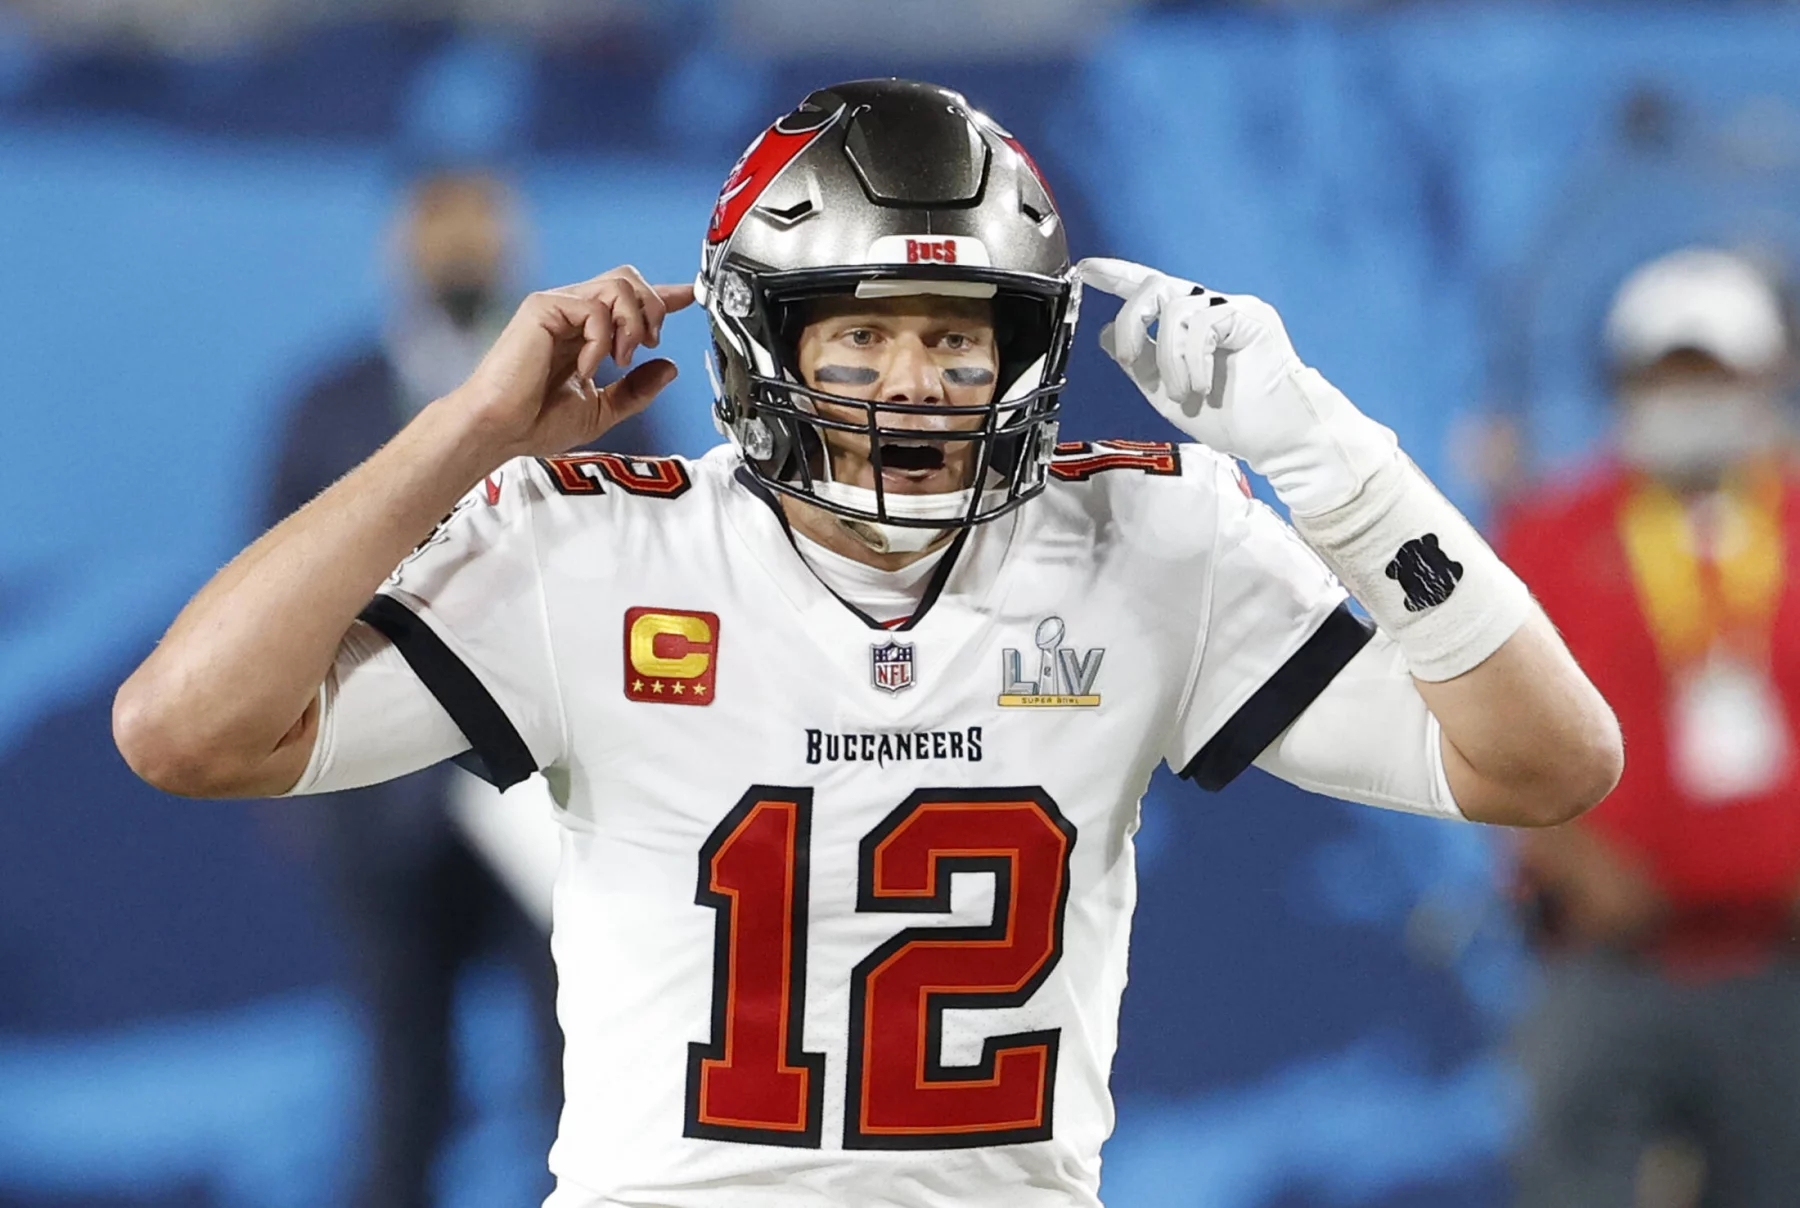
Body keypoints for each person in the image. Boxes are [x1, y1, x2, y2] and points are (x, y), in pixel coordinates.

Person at [114, 80, 1620, 1208]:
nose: (913, 382)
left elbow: (1547, 765)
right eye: (860, 333)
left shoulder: (1150, 542)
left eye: (960, 335)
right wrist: (467, 434)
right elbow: (183, 729)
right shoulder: (596, 546)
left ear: (1023, 354)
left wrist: (1333, 458)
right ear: (761, 341)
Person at [263, 165, 565, 1208]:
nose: (461, 255)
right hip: (382, 803)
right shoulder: (329, 410)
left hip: (543, 791)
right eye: (441, 233)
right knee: (404, 1091)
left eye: (481, 231)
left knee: (583, 1082)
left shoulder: (587, 399)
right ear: (397, 247)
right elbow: (264, 607)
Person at [1501, 247, 1800, 1208]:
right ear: (1622, 384)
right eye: (1667, 375)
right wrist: (1569, 855)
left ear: (1768, 378)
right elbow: (1489, 721)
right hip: (1608, 960)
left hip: (1783, 959)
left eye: (1712, 375)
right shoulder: (1550, 533)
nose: (1689, 398)